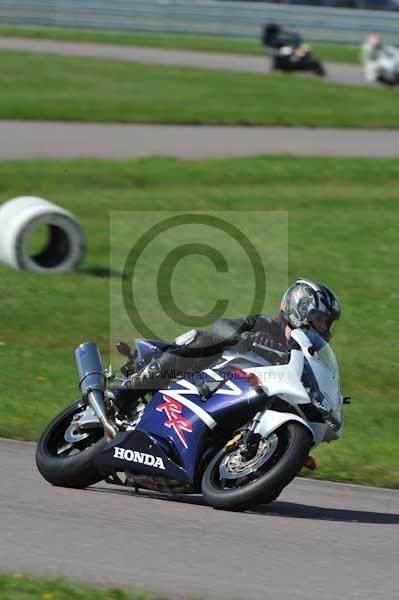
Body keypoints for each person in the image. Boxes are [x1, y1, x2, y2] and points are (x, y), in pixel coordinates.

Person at [126, 277, 341, 393]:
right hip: (203, 376)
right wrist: (245, 339)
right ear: (300, 311)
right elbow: (222, 327)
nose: (323, 327)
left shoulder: (304, 357)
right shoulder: (265, 325)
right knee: (201, 341)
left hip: (236, 395)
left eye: (326, 322)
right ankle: (127, 391)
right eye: (320, 319)